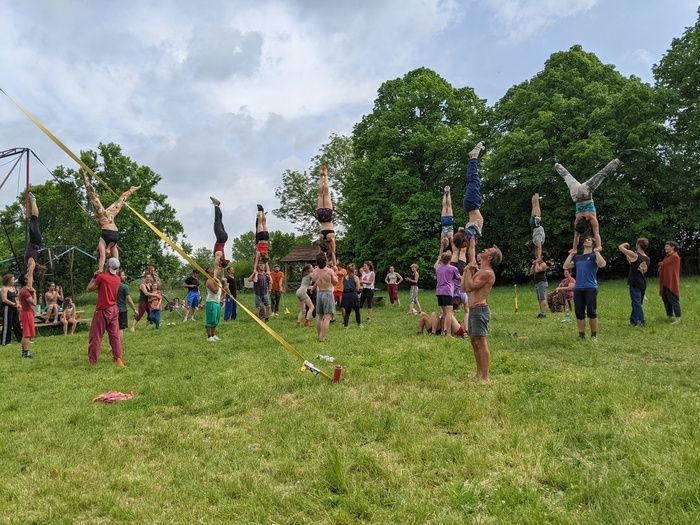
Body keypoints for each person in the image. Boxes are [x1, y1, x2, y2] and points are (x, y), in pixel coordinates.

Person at [550, 151, 634, 250]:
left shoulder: (591, 218)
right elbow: (576, 237)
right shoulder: (577, 221)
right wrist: (574, 249)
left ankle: (620, 158)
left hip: (585, 193)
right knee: (566, 176)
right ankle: (554, 163)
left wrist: (599, 246)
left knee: (602, 174)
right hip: (575, 196)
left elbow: (596, 234)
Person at [79, 168, 140, 272]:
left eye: (107, 254)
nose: (108, 254)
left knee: (94, 197)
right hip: (111, 221)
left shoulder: (102, 243)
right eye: (109, 255)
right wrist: (114, 272)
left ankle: (85, 179)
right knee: (120, 200)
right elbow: (116, 260)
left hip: (105, 218)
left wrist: (100, 270)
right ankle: (131, 190)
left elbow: (102, 257)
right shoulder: (113, 246)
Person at [461, 246, 502, 384]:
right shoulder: (480, 271)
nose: (484, 249)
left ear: (490, 257)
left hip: (480, 310)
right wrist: (467, 270)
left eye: (488, 250)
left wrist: (468, 271)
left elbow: (470, 286)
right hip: (473, 310)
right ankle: (478, 373)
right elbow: (463, 287)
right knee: (474, 341)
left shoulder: (487, 273)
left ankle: (485, 377)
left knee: (481, 342)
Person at [563, 237, 606, 340]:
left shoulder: (593, 256)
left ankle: (593, 336)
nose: (586, 240)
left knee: (592, 312)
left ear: (593, 244)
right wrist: (572, 254)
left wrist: (597, 252)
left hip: (590, 288)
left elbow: (602, 264)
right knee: (579, 313)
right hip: (578, 288)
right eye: (586, 239)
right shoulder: (578, 257)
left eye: (589, 240)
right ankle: (581, 335)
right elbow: (566, 266)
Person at [86, 257, 125, 367]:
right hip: (114, 309)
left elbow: (89, 289)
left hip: (102, 310)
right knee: (115, 336)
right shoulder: (118, 279)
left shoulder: (101, 277)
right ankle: (118, 359)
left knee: (96, 336)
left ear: (108, 265)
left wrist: (95, 276)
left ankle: (93, 361)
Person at [461, 142, 486, 266]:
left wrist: (473, 262)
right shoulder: (470, 234)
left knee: (474, 180)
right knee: (474, 181)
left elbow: (471, 249)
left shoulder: (470, 234)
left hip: (473, 204)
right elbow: (471, 248)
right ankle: (472, 158)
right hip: (472, 204)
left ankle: (474, 157)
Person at [618, 238, 651, 327]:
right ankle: (633, 321)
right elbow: (631, 261)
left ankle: (641, 321)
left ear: (638, 245)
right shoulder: (647, 258)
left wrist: (626, 244)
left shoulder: (635, 255)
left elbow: (620, 247)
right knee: (637, 303)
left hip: (635, 282)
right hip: (643, 283)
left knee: (636, 303)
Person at [311, 253, 337, 342]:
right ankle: (323, 338)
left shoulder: (314, 272)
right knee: (327, 316)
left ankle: (319, 335)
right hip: (328, 293)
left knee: (319, 317)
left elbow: (315, 281)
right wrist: (335, 272)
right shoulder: (330, 271)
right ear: (325, 261)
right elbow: (335, 283)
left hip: (319, 293)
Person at [434, 251, 461, 336]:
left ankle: (443, 331)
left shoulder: (438, 268)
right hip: (447, 292)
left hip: (439, 292)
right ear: (450, 259)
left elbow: (435, 265)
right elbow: (459, 278)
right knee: (449, 313)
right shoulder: (453, 268)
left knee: (444, 313)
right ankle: (448, 334)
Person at [316, 165, 337, 266]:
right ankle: (321, 176)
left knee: (326, 193)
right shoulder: (321, 239)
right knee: (321, 194)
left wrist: (335, 265)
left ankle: (325, 175)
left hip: (328, 218)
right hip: (321, 218)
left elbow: (333, 253)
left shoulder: (331, 239)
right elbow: (319, 254)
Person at [23, 191, 46, 283]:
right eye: (28, 271)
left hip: (33, 240)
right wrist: (29, 280)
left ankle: (33, 201)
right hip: (35, 240)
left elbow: (29, 272)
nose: (27, 271)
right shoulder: (32, 263)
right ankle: (33, 200)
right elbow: (30, 273)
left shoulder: (27, 262)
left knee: (33, 219)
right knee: (34, 218)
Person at [658, 240, 681, 324]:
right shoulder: (667, 256)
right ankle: (669, 316)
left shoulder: (674, 256)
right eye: (665, 246)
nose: (665, 248)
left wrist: (661, 265)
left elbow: (664, 264)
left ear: (673, 247)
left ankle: (678, 318)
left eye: (667, 246)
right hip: (665, 281)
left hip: (671, 282)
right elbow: (664, 265)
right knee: (665, 299)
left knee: (673, 299)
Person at [17, 275, 37, 359]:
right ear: (25, 281)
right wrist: (34, 293)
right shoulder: (25, 291)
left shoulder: (23, 290)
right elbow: (34, 303)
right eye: (27, 278)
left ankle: (24, 352)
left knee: (25, 333)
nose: (30, 280)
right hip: (27, 313)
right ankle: (26, 353)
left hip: (26, 312)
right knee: (27, 334)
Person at [1, 274, 22, 346]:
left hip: (14, 308)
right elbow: (4, 299)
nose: (14, 281)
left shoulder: (13, 288)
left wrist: (18, 304)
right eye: (13, 279)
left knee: (16, 324)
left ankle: (20, 339)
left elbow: (16, 298)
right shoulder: (4, 288)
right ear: (8, 280)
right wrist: (13, 304)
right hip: (7, 308)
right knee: (7, 324)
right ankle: (5, 342)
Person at [209, 197, 229, 268]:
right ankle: (216, 205)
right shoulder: (218, 256)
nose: (218, 265)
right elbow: (216, 266)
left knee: (219, 220)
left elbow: (223, 263)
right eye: (220, 265)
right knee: (217, 220)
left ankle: (218, 206)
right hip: (220, 238)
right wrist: (215, 275)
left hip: (225, 237)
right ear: (220, 263)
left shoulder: (222, 255)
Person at [117, 270, 136, 339]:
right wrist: (134, 309)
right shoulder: (124, 287)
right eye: (123, 275)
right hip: (122, 310)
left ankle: (112, 346)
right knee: (120, 329)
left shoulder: (111, 285)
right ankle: (118, 347)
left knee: (112, 329)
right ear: (118, 276)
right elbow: (129, 300)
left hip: (112, 310)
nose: (124, 276)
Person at [340, 263, 362, 328]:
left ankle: (346, 325)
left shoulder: (343, 278)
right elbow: (358, 288)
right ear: (354, 270)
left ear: (347, 270)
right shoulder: (356, 277)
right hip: (353, 295)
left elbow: (342, 287)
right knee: (357, 310)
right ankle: (359, 324)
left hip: (346, 295)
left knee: (347, 312)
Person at [204, 266, 222, 342]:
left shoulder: (215, 279)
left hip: (217, 302)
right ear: (209, 273)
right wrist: (218, 283)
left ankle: (213, 335)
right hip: (211, 302)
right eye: (211, 271)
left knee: (216, 320)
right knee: (210, 320)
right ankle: (209, 336)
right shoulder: (209, 281)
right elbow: (215, 291)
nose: (213, 272)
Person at [253, 204, 270, 272]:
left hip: (266, 238)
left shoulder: (266, 254)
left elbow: (266, 263)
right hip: (261, 238)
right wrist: (254, 270)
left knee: (264, 222)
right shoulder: (259, 253)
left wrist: (268, 271)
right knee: (260, 222)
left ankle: (262, 212)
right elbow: (256, 262)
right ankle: (260, 210)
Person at [529, 192, 545, 260]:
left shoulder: (538, 241)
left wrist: (539, 258)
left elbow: (539, 248)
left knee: (536, 206)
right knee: (534, 205)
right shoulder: (534, 240)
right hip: (533, 224)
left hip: (536, 224)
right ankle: (535, 195)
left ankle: (536, 193)